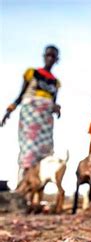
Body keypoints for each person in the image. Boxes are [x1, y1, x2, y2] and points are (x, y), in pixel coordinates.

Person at [1, 45, 61, 177]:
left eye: (53, 56)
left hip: (46, 121)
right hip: (31, 116)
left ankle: (35, 186)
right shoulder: (32, 73)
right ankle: (23, 182)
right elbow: (21, 94)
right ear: (44, 56)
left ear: (57, 59)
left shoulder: (55, 82)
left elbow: (53, 102)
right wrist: (9, 111)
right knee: (29, 148)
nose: (50, 58)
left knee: (45, 152)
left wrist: (56, 108)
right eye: (48, 55)